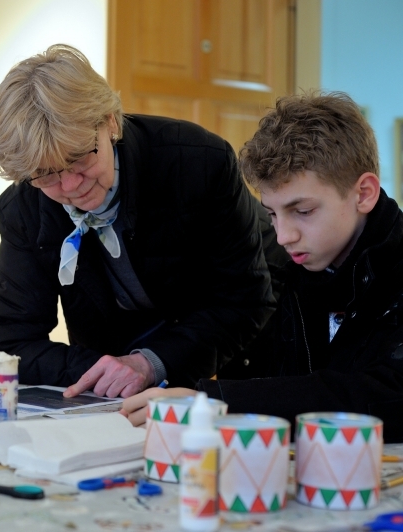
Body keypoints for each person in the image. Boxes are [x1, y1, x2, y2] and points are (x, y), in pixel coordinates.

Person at [0, 44, 284, 398]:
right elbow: (14, 339)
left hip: (252, 344)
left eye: (79, 157)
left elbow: (246, 299)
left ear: (109, 123)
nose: (69, 185)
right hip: (123, 374)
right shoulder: (25, 208)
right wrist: (108, 370)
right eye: (46, 174)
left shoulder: (199, 163)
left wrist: (148, 363)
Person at [121, 92, 403, 443]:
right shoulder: (296, 271)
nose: (283, 236)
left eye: (303, 211)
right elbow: (278, 383)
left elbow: (386, 393)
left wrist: (216, 403)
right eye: (271, 213)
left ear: (363, 193)